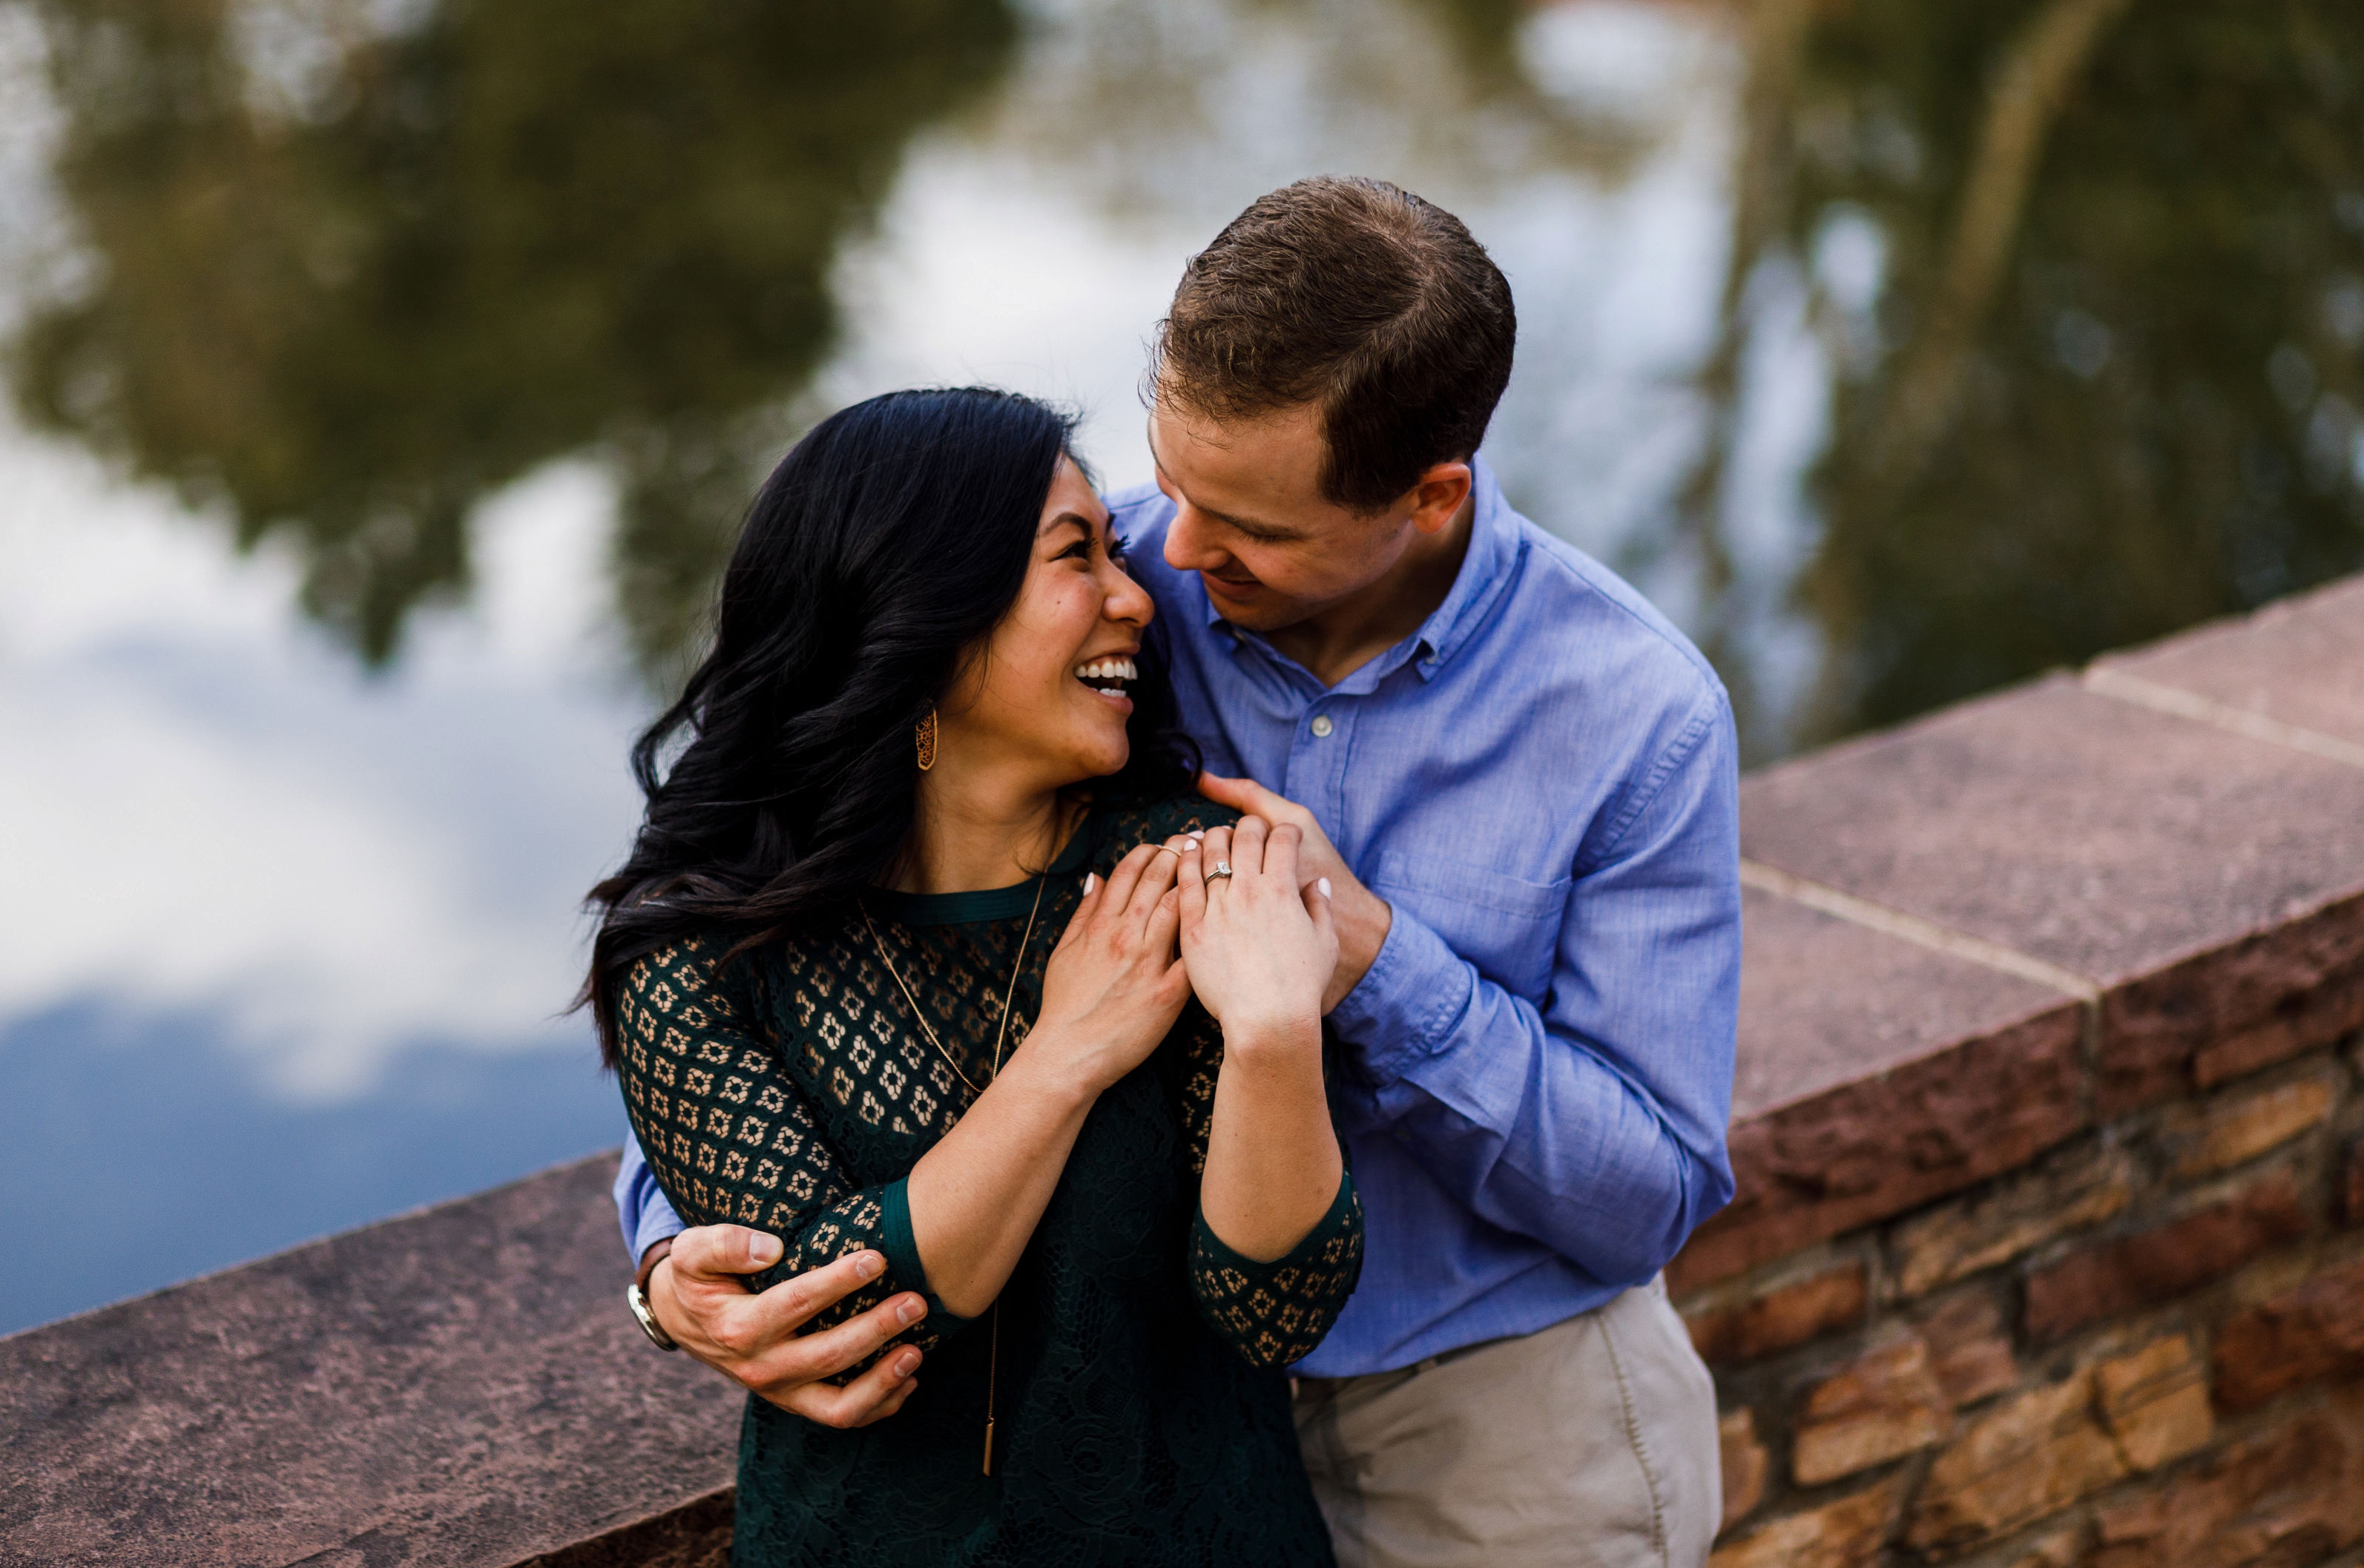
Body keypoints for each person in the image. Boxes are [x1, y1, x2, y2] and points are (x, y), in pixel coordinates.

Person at [619, 177, 1741, 1567]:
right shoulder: (1103, 590)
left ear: (1427, 496)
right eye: (1176, 482)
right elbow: (778, 928)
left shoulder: (1638, 715)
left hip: (1482, 1418)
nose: (1178, 556)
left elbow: (1652, 1195)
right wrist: (676, 1262)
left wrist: (1376, 965)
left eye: (1253, 527)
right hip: (1141, 1409)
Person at [580, 386, 1366, 1567]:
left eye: (1115, 549)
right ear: (929, 616)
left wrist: (1272, 1036)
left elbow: (1275, 1305)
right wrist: (1065, 1056)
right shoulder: (697, 956)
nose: (1136, 596)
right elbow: (839, 1325)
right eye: (1075, 557)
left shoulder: (1175, 875)